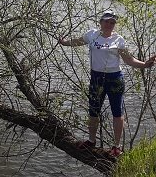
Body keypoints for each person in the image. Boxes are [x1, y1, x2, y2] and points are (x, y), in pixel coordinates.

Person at [59, 10, 156, 157]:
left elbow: (128, 60)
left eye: (112, 22)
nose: (109, 24)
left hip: (115, 79)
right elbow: (78, 41)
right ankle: (91, 141)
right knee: (93, 111)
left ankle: (116, 147)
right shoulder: (92, 34)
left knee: (117, 113)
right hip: (96, 78)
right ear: (101, 21)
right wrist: (64, 42)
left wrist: (145, 64)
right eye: (107, 21)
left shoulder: (118, 39)